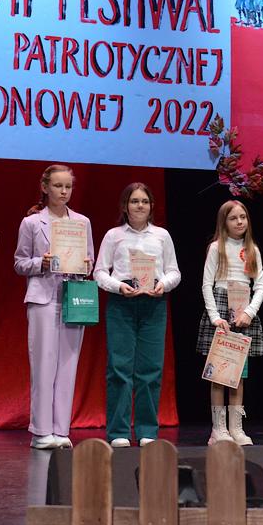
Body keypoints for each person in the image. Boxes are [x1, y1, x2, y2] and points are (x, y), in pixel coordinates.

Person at [14, 165, 94, 450]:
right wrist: (42, 263)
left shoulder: (82, 222)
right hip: (43, 299)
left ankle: (61, 430)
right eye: (58, 186)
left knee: (68, 365)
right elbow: (20, 263)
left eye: (68, 186)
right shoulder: (32, 223)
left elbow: (89, 260)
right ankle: (41, 431)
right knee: (43, 364)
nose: (63, 191)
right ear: (45, 187)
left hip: (73, 297)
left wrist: (85, 265)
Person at [94, 183, 180, 447]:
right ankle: (118, 431)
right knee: (119, 368)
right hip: (122, 302)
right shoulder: (114, 236)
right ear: (125, 206)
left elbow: (174, 271)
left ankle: (147, 431)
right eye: (134, 201)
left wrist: (163, 284)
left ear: (151, 206)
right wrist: (118, 286)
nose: (140, 205)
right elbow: (99, 272)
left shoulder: (162, 236)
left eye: (144, 201)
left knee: (150, 369)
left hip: (153, 303)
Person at [196, 200, 263, 446]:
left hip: (242, 310)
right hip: (221, 308)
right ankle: (218, 429)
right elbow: (207, 284)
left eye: (243, 217)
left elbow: (260, 285)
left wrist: (249, 312)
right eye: (233, 218)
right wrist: (215, 317)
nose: (239, 222)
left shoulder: (253, 249)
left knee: (238, 374)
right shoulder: (217, 248)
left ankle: (236, 428)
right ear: (224, 222)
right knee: (219, 373)